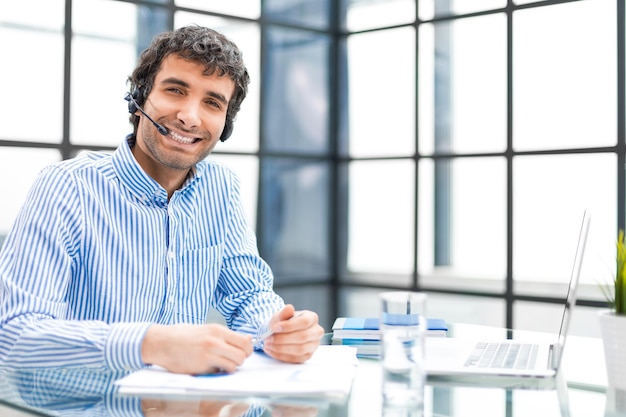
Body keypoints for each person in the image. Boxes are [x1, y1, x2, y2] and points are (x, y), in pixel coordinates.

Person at [0, 25, 323, 374]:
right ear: (138, 98)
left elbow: (247, 296)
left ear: (225, 124)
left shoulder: (221, 189)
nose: (190, 116)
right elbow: (15, 334)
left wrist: (278, 328)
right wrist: (151, 344)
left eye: (212, 103)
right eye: (175, 90)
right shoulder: (67, 187)